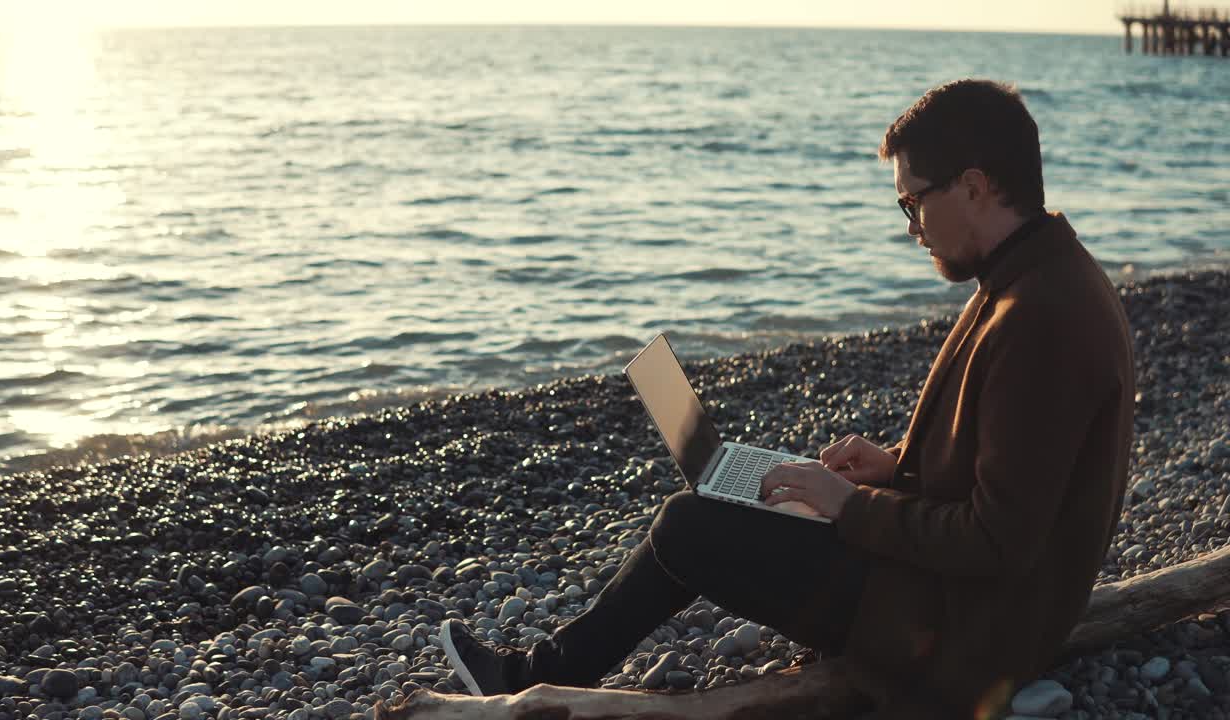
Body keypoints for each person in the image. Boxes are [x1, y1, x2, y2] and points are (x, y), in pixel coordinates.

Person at [438, 78, 1136, 719]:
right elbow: (1011, 470)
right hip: (944, 593)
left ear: (977, 186)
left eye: (913, 200)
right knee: (726, 496)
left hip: (960, 634)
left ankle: (528, 677)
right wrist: (895, 466)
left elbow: (998, 543)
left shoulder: (1041, 317)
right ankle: (536, 668)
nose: (910, 225)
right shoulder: (1030, 280)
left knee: (690, 525)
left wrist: (849, 507)